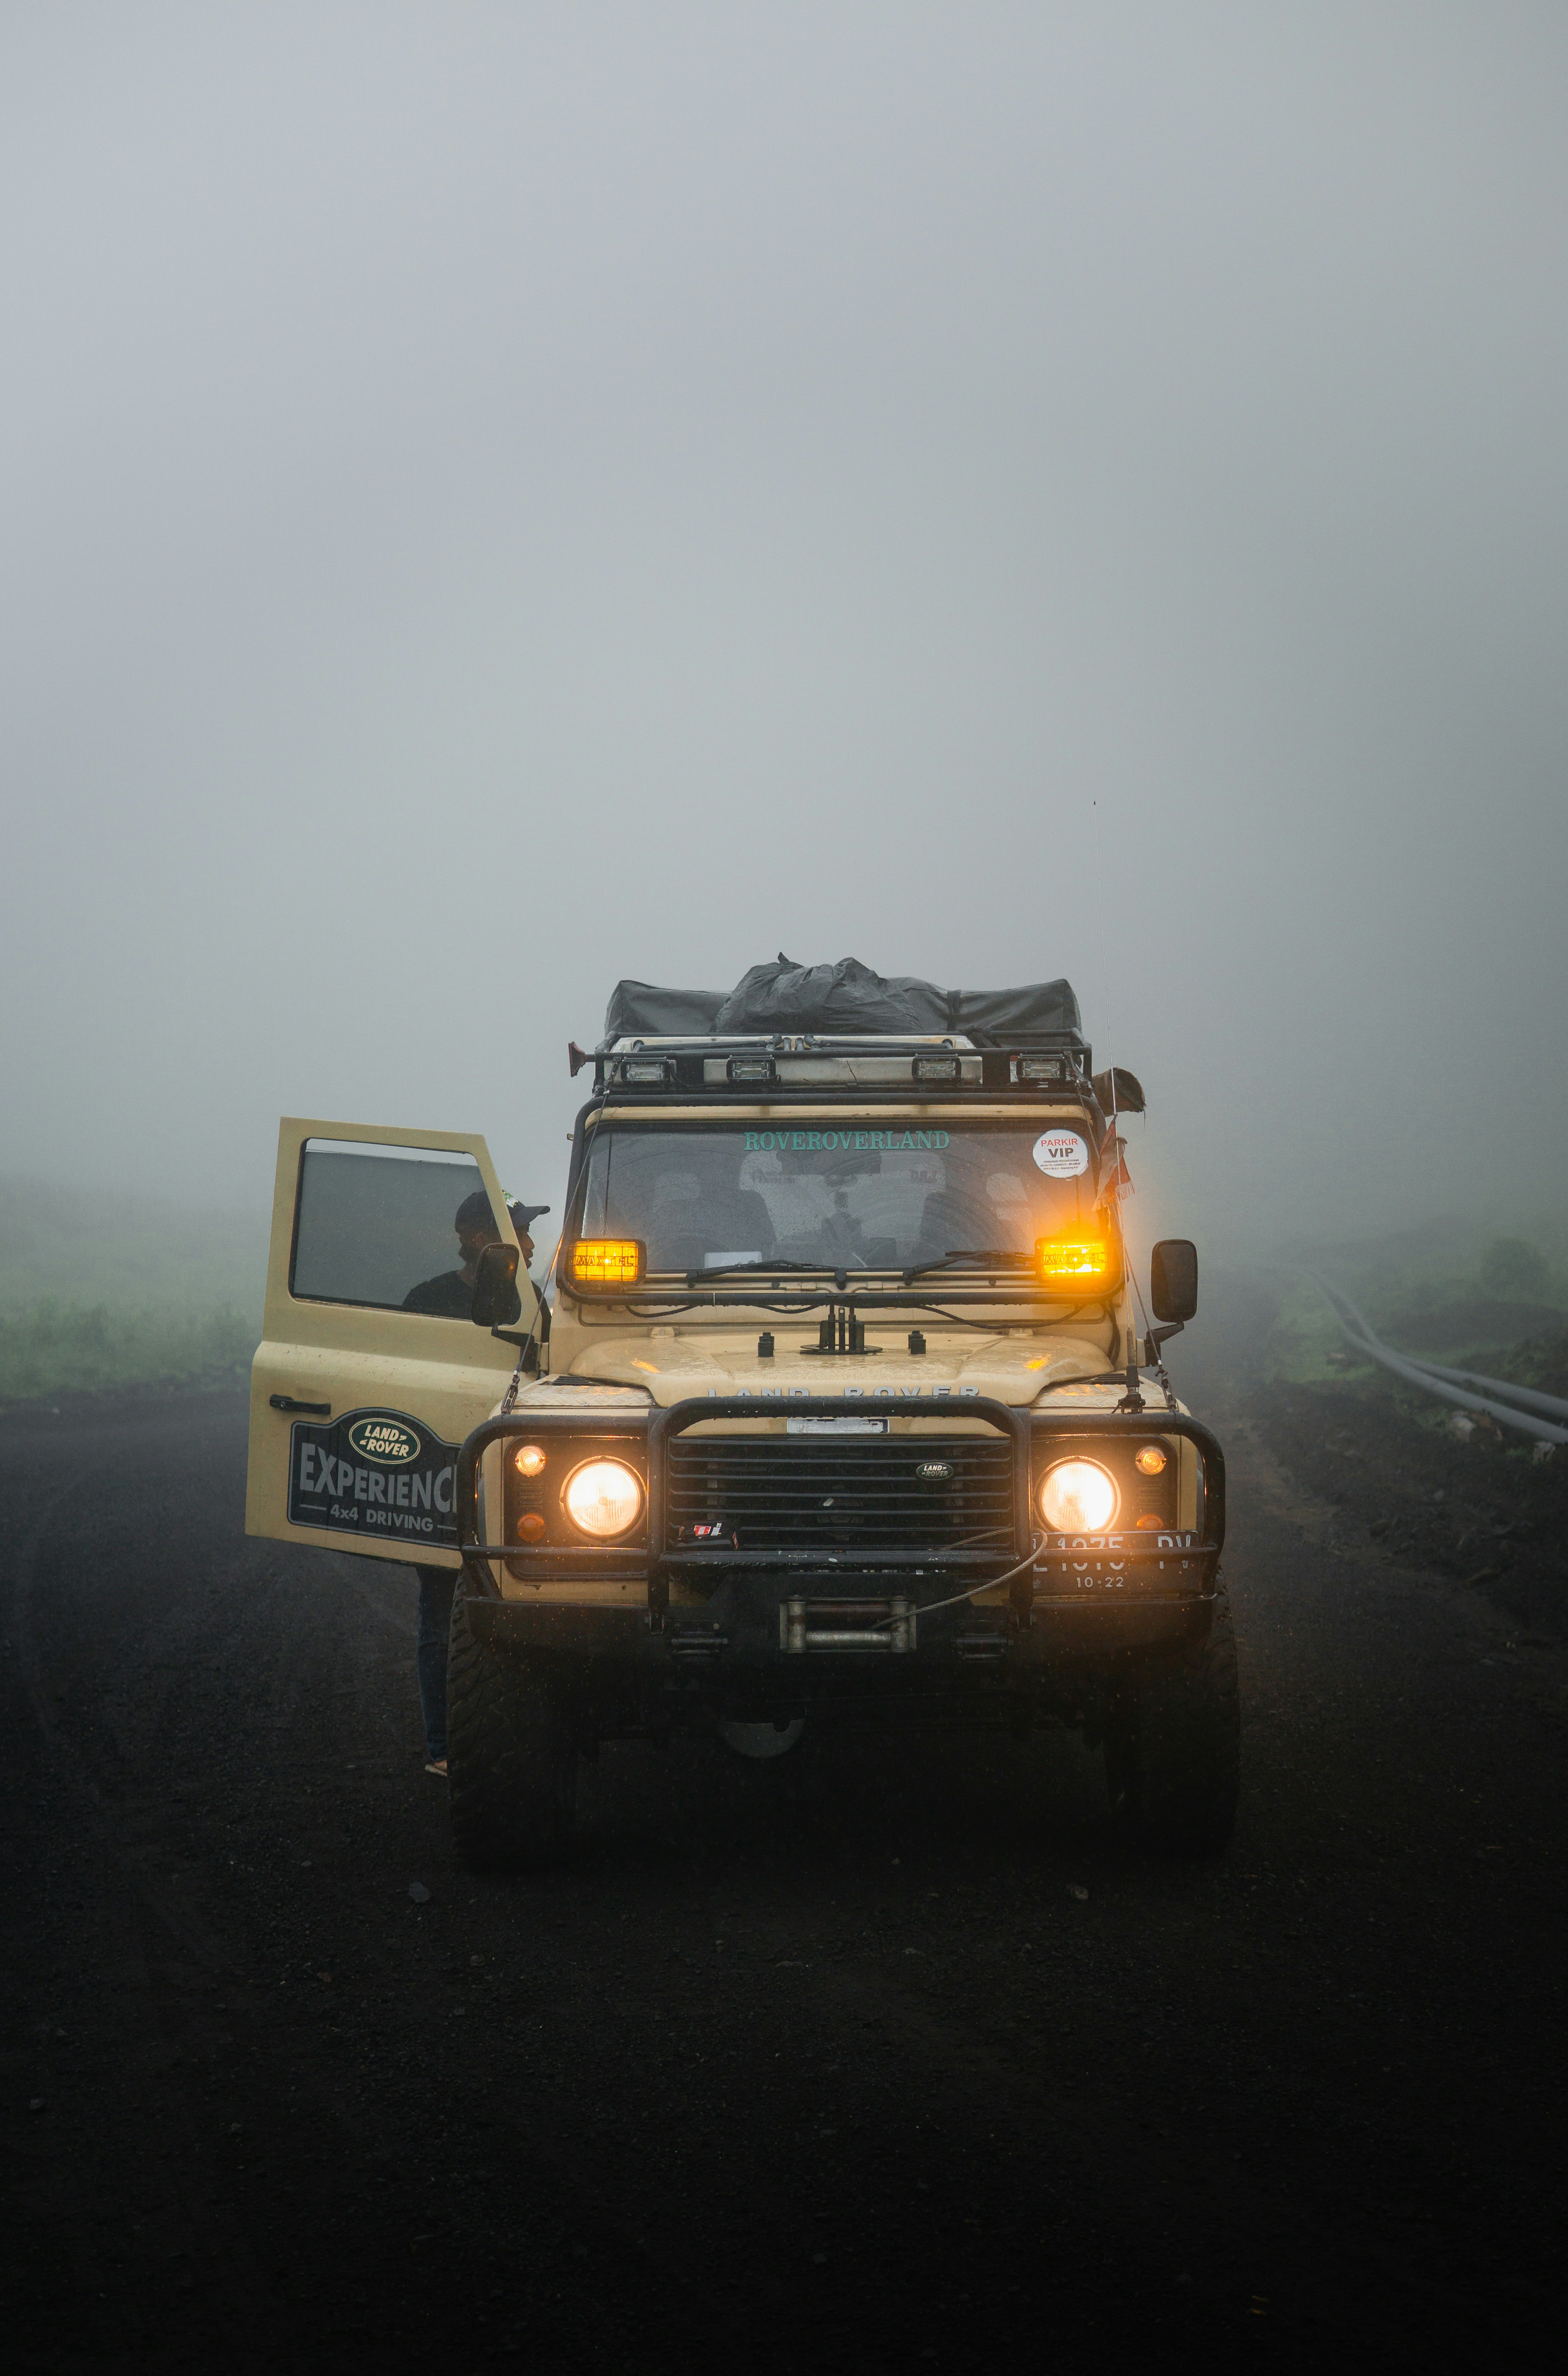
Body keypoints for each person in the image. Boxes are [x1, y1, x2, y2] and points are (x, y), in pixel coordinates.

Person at [407, 1189, 549, 1775]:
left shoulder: (535, 1303)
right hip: (441, 1475)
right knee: (442, 1612)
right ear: (472, 1237)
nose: (530, 1241)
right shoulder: (426, 1301)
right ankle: (445, 1749)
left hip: (513, 1482)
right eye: (516, 1230)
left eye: (527, 1230)